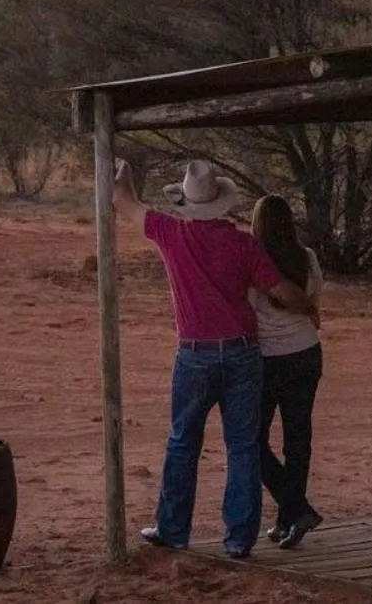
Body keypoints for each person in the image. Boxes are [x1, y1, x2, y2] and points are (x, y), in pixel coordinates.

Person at [113, 158, 312, 559]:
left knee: (183, 441)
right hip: (242, 351)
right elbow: (280, 290)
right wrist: (309, 306)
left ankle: (173, 530)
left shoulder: (171, 233)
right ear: (221, 203)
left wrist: (124, 169)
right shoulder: (244, 244)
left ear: (186, 202)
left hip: (195, 352)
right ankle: (239, 538)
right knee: (241, 445)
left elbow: (123, 202)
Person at [249, 194, 325, 548]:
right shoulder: (306, 257)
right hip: (306, 352)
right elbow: (314, 299)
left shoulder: (253, 259)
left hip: (266, 358)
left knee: (253, 439)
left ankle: (294, 510)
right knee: (298, 438)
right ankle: (289, 518)